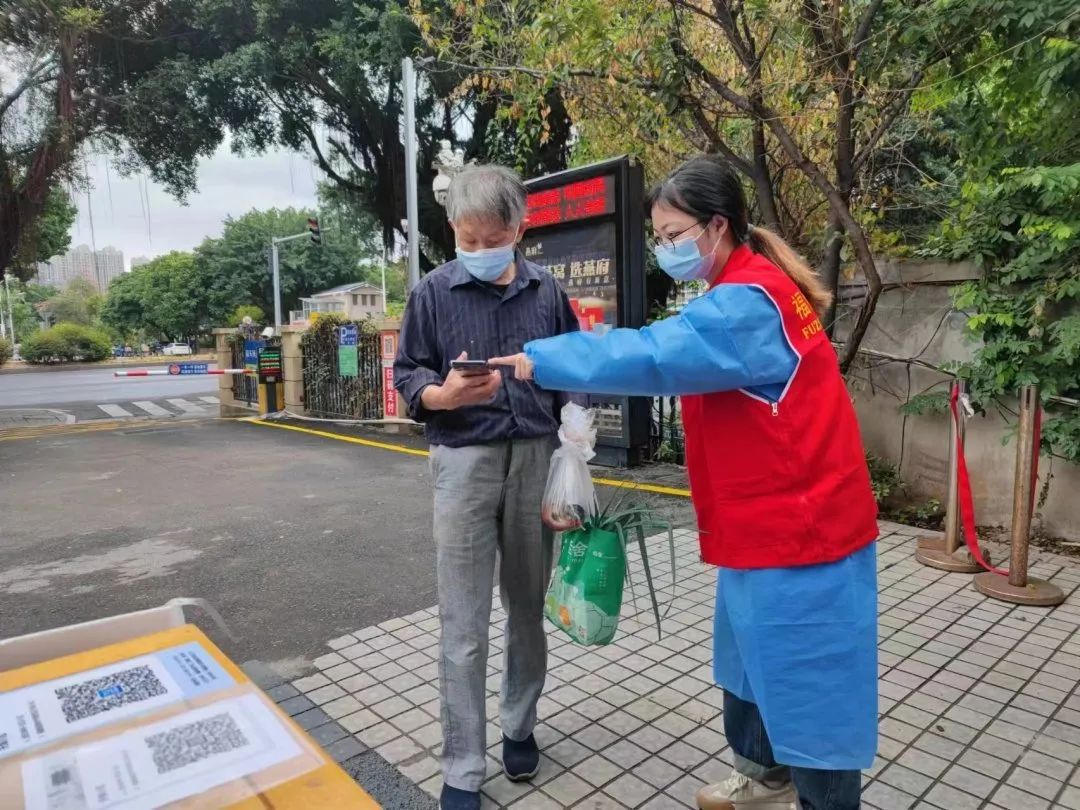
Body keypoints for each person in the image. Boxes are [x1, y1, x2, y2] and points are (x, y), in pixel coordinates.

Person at [490, 155, 878, 810]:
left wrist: (542, 358)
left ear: (716, 226)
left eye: (673, 235)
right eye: (660, 237)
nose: (666, 248)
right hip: (768, 525)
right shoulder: (753, 285)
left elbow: (652, 355)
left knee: (811, 693)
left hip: (803, 534)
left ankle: (823, 799)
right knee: (749, 662)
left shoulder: (747, 305)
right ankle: (763, 777)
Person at [393, 164, 581, 810]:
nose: (477, 251)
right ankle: (463, 765)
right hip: (462, 462)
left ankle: (519, 725)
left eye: (491, 238)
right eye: (466, 240)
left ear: (519, 229)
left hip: (535, 457)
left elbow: (573, 374)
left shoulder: (547, 293)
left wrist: (575, 449)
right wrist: (439, 393)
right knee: (463, 620)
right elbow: (408, 372)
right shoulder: (432, 293)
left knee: (527, 609)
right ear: (452, 231)